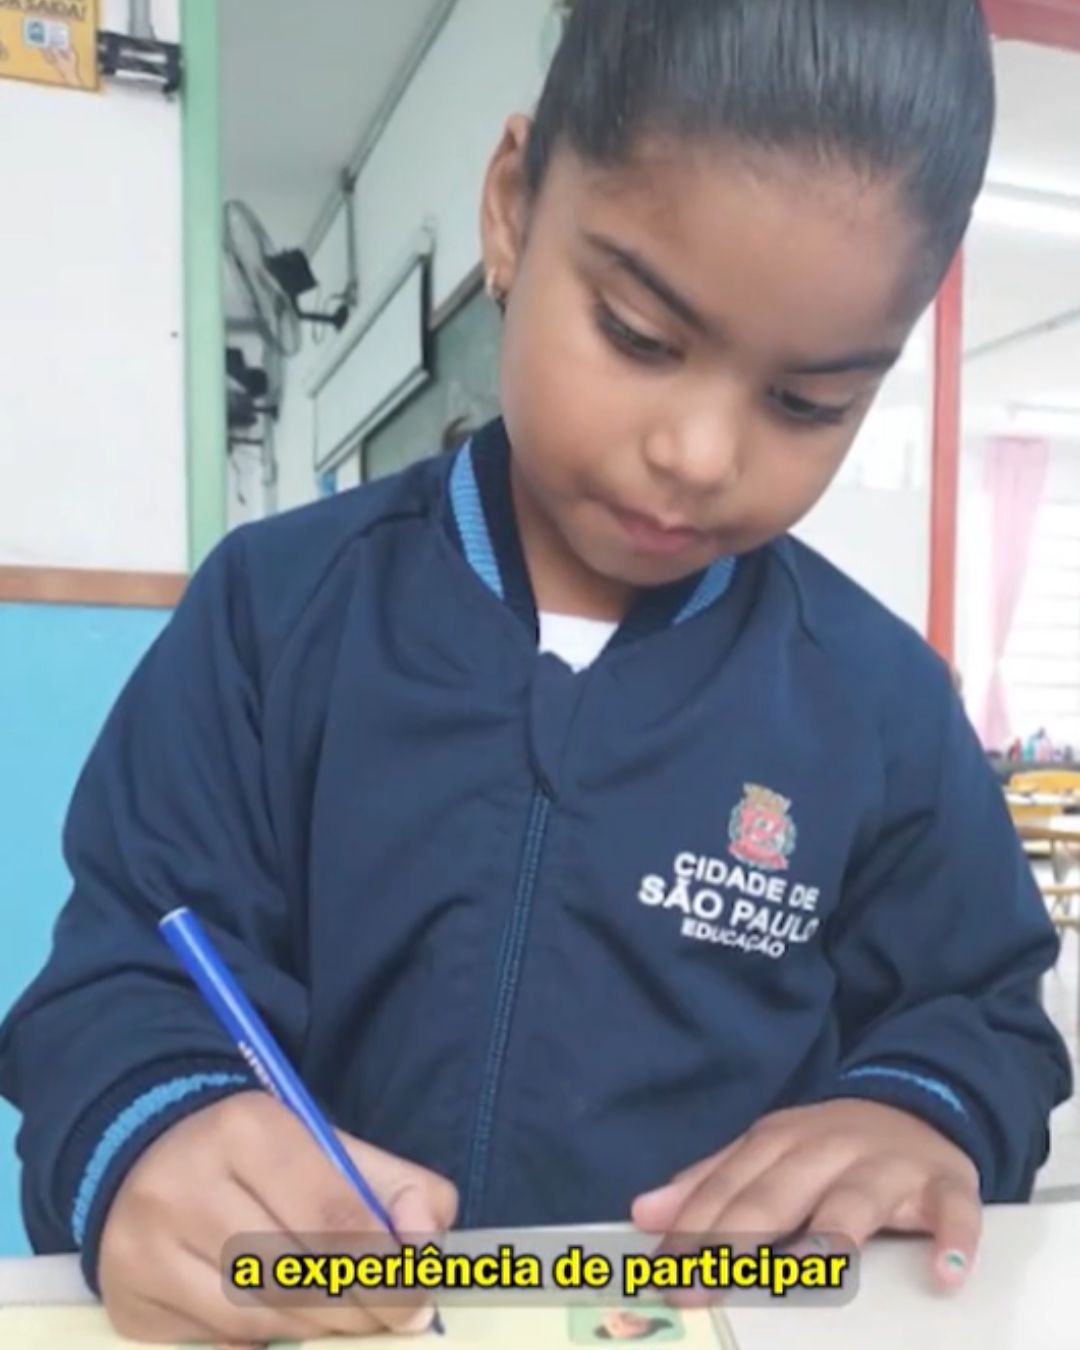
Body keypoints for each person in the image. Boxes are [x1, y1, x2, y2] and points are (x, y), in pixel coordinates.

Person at [0, 1, 1072, 1344]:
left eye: (807, 403)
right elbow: (119, 976)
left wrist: (914, 1109)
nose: (696, 450)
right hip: (347, 1314)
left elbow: (984, 1011)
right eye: (638, 332)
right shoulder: (277, 615)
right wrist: (158, 1130)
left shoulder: (882, 706)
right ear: (512, 209)